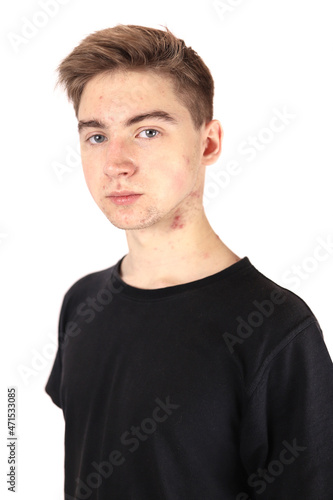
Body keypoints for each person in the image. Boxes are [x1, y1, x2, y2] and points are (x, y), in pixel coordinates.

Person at [45, 24, 333, 500]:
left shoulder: (276, 330)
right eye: (96, 136)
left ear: (209, 143)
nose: (116, 162)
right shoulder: (82, 302)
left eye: (148, 131)